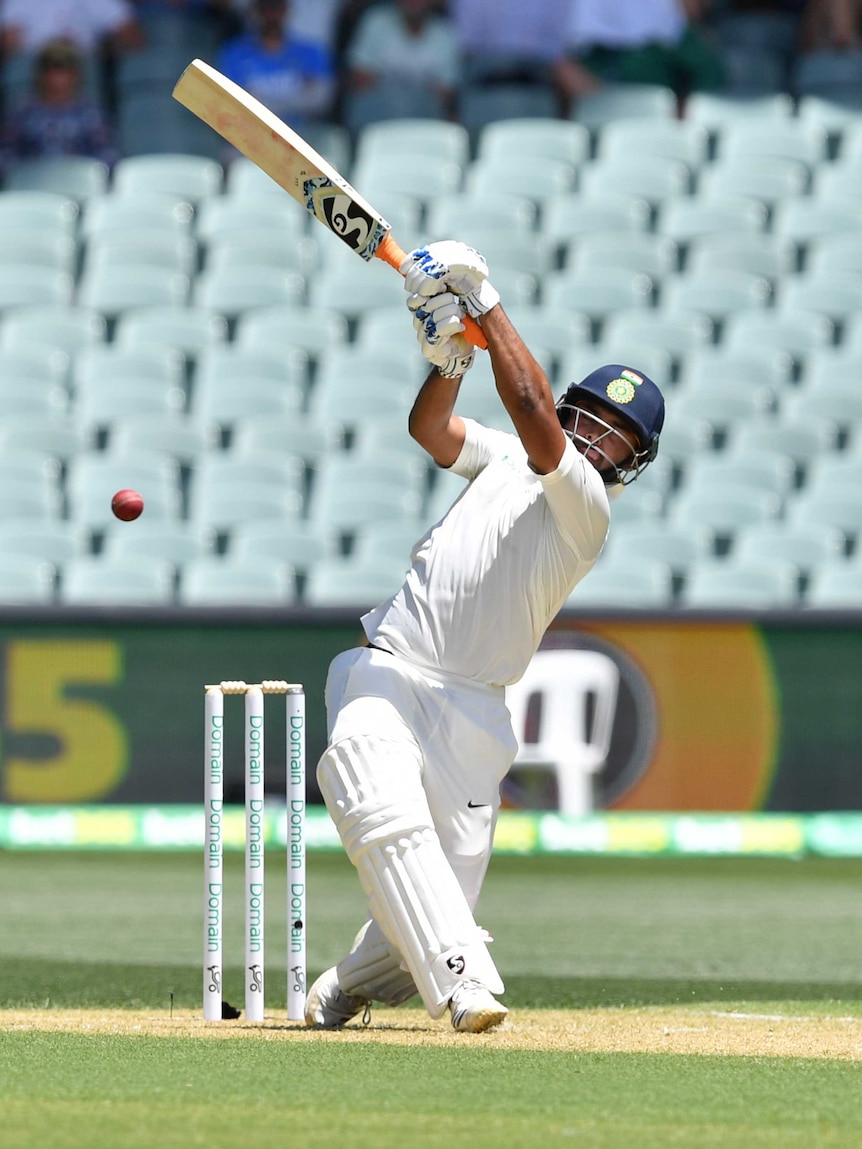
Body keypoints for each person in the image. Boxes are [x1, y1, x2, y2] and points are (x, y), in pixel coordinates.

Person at [304, 241, 665, 1033]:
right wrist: (448, 362)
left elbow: (534, 415)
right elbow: (430, 430)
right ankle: (466, 984)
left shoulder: (584, 505)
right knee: (370, 783)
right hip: (391, 667)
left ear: (631, 462)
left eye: (619, 436)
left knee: (432, 907)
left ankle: (343, 986)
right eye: (594, 418)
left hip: (477, 713)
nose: (600, 438)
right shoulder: (506, 456)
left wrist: (486, 299)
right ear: (574, 407)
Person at [0, 38, 119, 175]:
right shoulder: (21, 113)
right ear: (40, 75)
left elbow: (109, 156)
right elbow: (5, 153)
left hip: (80, 188)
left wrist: (84, 169)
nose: (56, 78)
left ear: (75, 75)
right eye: (50, 71)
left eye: (63, 72)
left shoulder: (91, 114)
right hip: (31, 188)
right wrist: (26, 168)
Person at [216, 0, 334, 127]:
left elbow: (320, 99)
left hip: (300, 133)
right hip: (250, 132)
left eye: (276, 7)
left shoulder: (311, 52)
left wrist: (262, 102)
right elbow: (230, 102)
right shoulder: (234, 53)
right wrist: (297, 98)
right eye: (265, 8)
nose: (271, 15)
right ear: (255, 11)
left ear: (286, 10)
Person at [344, 0, 460, 122]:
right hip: (377, 119)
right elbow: (359, 80)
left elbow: (446, 94)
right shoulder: (376, 21)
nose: (413, 2)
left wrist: (390, 86)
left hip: (423, 123)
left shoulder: (445, 33)